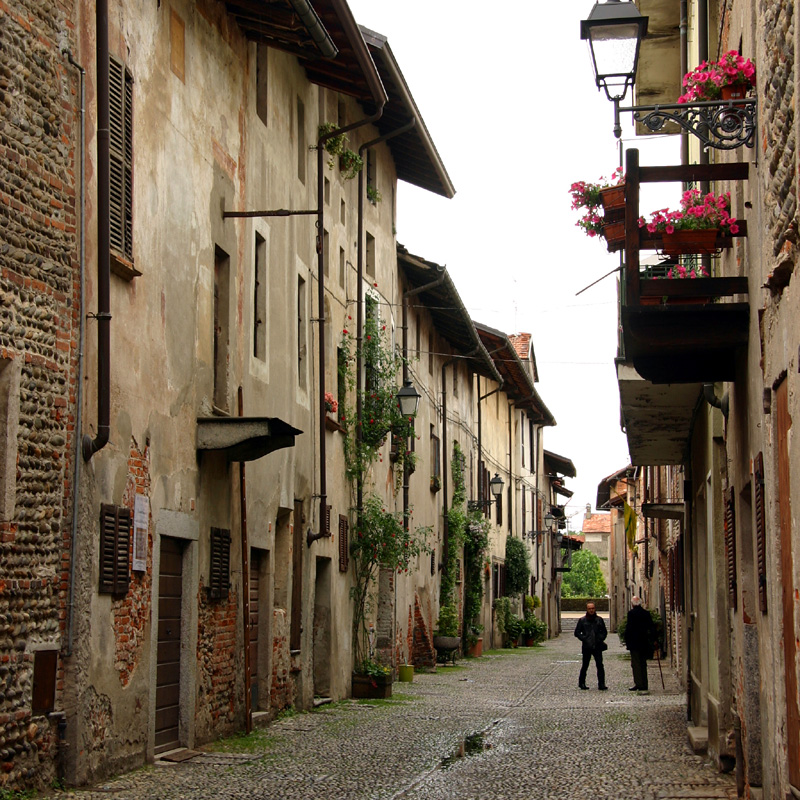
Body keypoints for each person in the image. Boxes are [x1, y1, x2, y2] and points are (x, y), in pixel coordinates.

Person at [625, 596, 657, 693]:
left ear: (632, 604)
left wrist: (627, 641)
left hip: (634, 643)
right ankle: (645, 683)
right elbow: (651, 627)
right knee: (643, 663)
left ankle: (639, 684)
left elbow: (629, 628)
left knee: (635, 663)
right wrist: (654, 639)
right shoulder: (646, 614)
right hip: (644, 642)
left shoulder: (631, 614)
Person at [574, 601, 608, 690]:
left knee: (600, 665)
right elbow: (577, 632)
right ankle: (581, 683)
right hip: (587, 646)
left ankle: (601, 684)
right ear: (587, 609)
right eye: (589, 609)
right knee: (585, 665)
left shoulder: (599, 620)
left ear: (595, 609)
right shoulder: (582, 620)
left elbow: (604, 632)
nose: (591, 610)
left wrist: (600, 639)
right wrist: (584, 638)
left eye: (592, 608)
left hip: (597, 645)